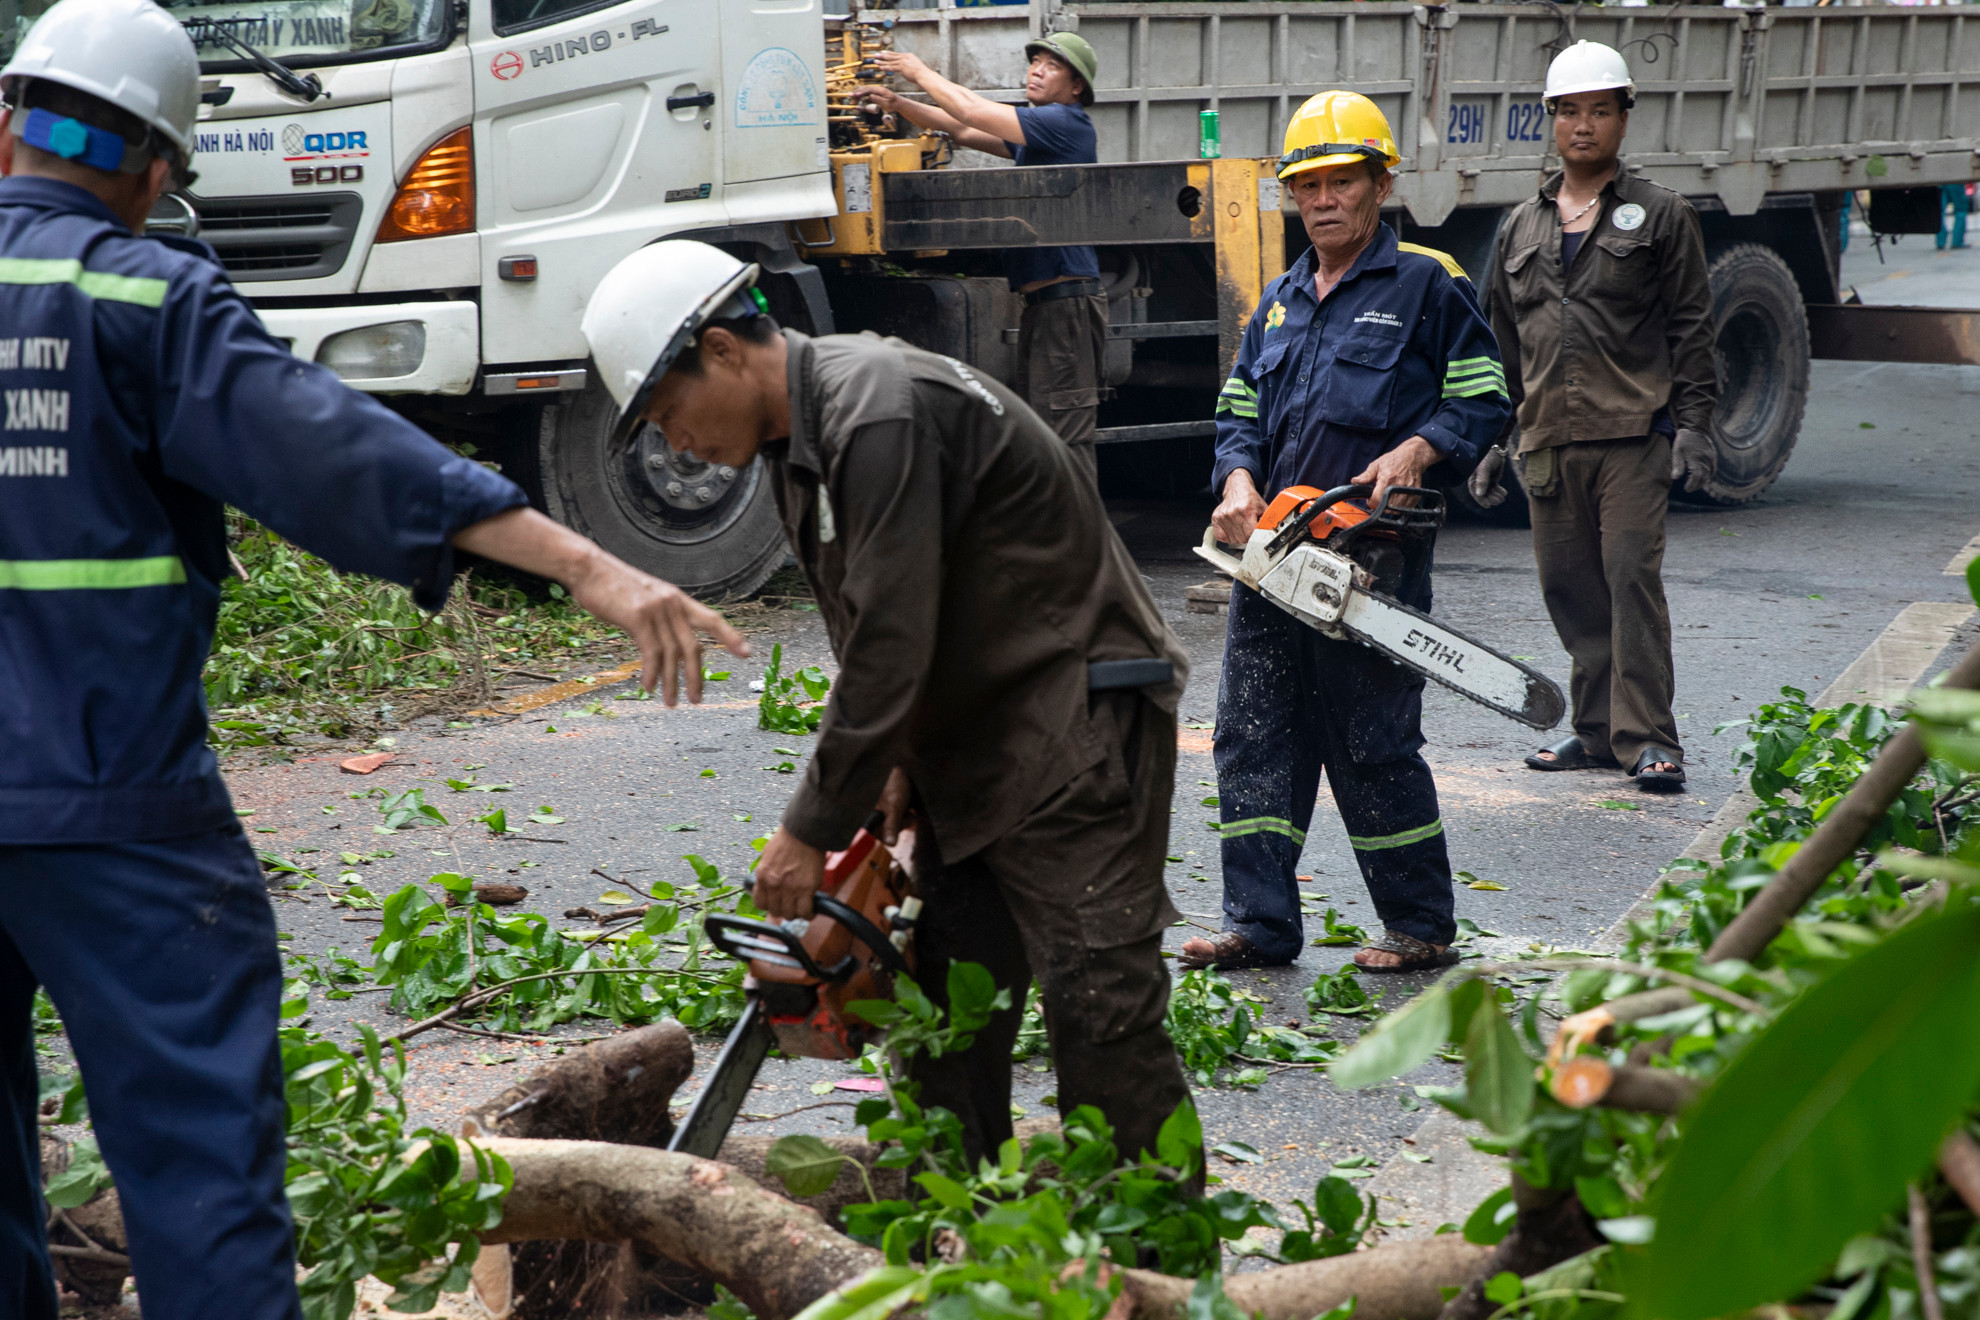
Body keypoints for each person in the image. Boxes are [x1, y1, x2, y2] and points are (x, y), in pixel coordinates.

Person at [0, 3, 747, 1315]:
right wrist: (591, 564)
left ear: (10, 122)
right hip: (105, 807)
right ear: (160, 170)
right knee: (201, 1171)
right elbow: (333, 452)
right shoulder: (139, 297)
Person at [581, 239, 1194, 1168]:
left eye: (668, 414)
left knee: (1102, 1016)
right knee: (942, 1016)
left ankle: (1163, 1279)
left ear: (720, 349)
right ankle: (967, 1256)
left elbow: (890, 643)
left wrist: (811, 827)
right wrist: (897, 766)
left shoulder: (876, 412)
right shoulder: (801, 448)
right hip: (981, 738)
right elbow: (886, 616)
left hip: (1075, 722)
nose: (678, 444)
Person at [1176, 92, 1510, 975]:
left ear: (1379, 183)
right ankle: (1259, 922)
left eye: (1342, 182)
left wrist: (1419, 447)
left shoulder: (1428, 283)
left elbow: (1483, 394)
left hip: (1374, 556)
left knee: (1371, 740)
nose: (1323, 200)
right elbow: (1239, 407)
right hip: (1275, 554)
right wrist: (1238, 481)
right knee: (1253, 731)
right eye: (1308, 185)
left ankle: (1420, 924)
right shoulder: (1282, 300)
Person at [1482, 40, 1716, 792]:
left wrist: (1698, 427)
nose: (1584, 126)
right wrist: (1495, 437)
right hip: (1549, 437)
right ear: (1550, 121)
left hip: (1632, 435)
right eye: (1570, 111)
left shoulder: (1662, 215)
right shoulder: (1521, 226)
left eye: (1600, 110)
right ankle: (1593, 731)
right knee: (1572, 588)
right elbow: (1501, 343)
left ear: (1623, 117)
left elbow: (1691, 326)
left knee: (1629, 579)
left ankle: (1649, 737)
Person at [852, 34, 1108, 479]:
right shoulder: (1041, 134)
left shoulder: (1065, 123)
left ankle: (1082, 545)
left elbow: (969, 110)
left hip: (1066, 307)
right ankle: (1054, 541)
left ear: (1076, 88)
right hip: (1049, 308)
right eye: (1035, 62)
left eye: (1052, 65)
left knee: (1065, 437)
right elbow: (965, 128)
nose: (1037, 69)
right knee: (1045, 436)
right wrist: (899, 103)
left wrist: (917, 72)